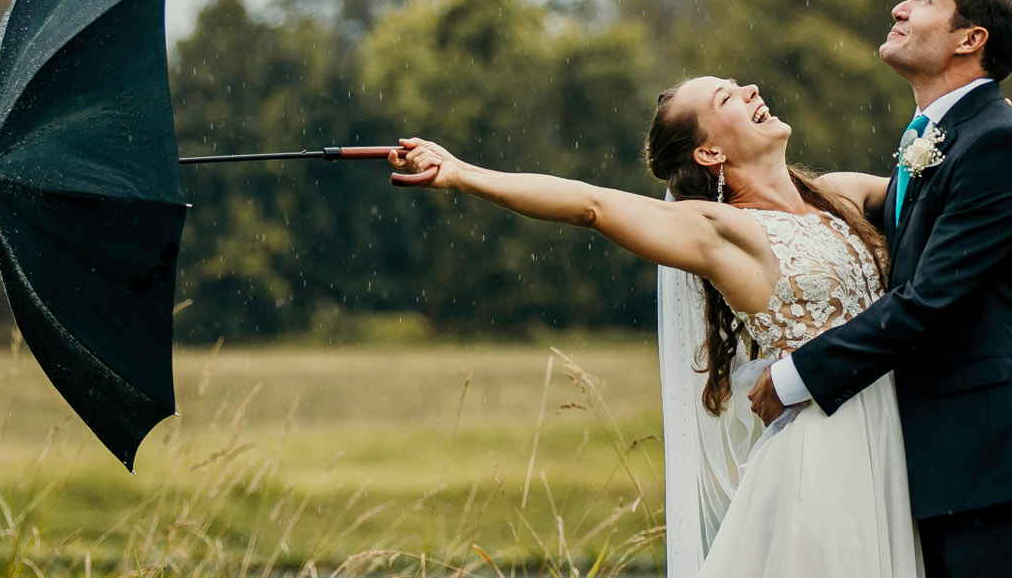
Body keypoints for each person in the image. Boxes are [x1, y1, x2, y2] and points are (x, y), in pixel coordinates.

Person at [385, 74, 924, 577]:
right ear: (710, 152)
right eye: (726, 98)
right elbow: (590, 205)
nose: (751, 89)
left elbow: (936, 191)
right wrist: (462, 174)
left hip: (895, 434)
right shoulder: (720, 232)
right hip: (823, 452)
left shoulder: (841, 194)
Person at [748, 0, 1012, 578]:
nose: (901, 8)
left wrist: (798, 377)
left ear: (970, 40)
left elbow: (929, 302)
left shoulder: (1000, 144)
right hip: (945, 461)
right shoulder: (942, 138)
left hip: (996, 461)